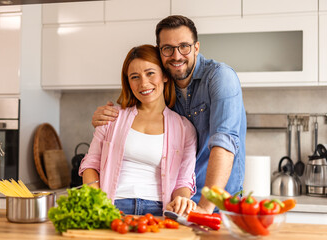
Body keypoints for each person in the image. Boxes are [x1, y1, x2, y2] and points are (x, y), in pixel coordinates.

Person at [91, 15, 247, 214]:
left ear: (196, 47)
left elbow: (223, 144)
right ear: (160, 52)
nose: (176, 56)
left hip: (218, 198)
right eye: (168, 48)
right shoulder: (166, 80)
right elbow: (138, 96)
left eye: (184, 46)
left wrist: (206, 207)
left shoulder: (219, 77)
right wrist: (104, 118)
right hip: (182, 201)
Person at [79, 44, 197, 216]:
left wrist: (181, 201)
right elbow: (90, 164)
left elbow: (183, 181)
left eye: (150, 73)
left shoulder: (184, 128)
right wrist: (96, 199)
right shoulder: (112, 117)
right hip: (112, 206)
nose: (143, 83)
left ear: (164, 75)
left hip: (159, 210)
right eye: (135, 77)